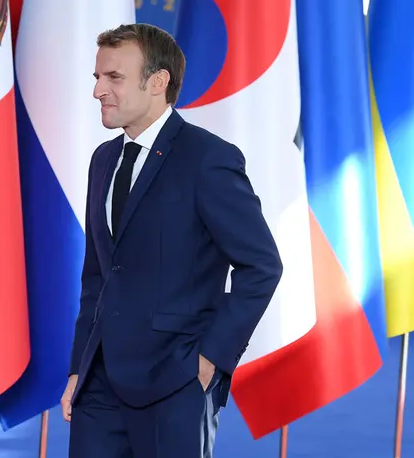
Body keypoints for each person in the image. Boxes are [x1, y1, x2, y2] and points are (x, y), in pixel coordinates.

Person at [61, 23, 283, 458]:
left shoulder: (208, 159)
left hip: (174, 382)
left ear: (158, 82)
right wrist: (77, 371)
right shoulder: (103, 160)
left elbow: (262, 266)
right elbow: (97, 278)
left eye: (114, 78)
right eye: (97, 77)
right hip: (98, 388)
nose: (98, 91)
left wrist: (209, 361)